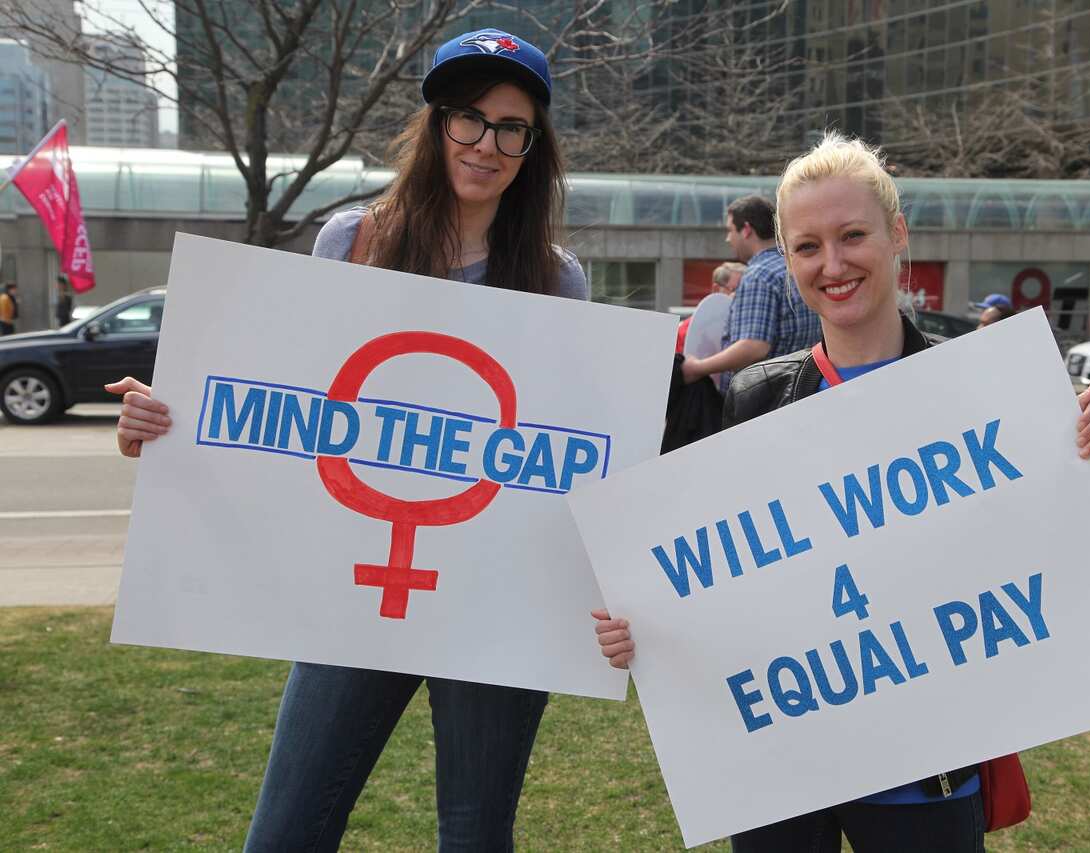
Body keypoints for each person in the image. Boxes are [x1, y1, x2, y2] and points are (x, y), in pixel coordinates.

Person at [105, 28, 588, 851]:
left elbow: (567, 447)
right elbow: (281, 411)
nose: (488, 143)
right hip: (356, 590)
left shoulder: (556, 277)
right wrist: (165, 422)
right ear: (435, 125)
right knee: (286, 831)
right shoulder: (353, 242)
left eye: (513, 126)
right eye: (469, 118)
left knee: (476, 836)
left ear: (533, 146)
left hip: (490, 599)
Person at [594, 132, 1090, 852]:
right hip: (780, 769)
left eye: (852, 236)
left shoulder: (986, 386)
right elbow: (731, 572)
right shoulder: (756, 396)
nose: (833, 264)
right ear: (786, 257)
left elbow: (1043, 557)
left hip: (926, 768)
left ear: (897, 233)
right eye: (808, 246)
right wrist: (645, 620)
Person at [680, 194, 823, 390]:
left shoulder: (759, 275)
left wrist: (697, 368)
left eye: (730, 230)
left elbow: (753, 347)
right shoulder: (796, 266)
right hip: (799, 391)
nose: (728, 238)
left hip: (761, 401)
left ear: (746, 230)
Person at [676, 261, 746, 354]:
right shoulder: (686, 331)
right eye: (736, 290)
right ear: (716, 289)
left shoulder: (750, 329)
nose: (745, 297)